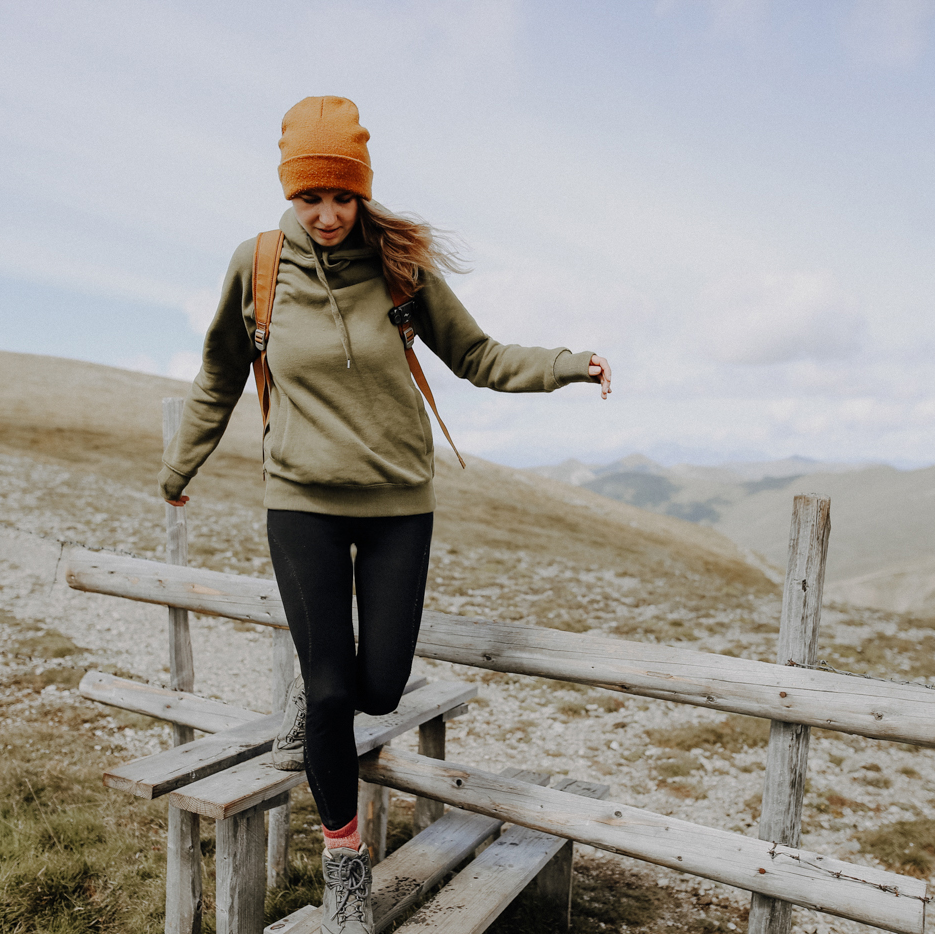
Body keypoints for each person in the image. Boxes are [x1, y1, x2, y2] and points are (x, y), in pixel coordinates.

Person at [159, 96, 611, 934]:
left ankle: (316, 700)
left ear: (363, 193)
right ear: (288, 196)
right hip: (301, 502)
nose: (326, 215)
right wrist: (179, 467)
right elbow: (220, 374)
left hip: (400, 502)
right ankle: (344, 865)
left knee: (381, 684)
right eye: (309, 198)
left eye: (341, 197)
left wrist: (568, 365)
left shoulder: (399, 266)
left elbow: (476, 356)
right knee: (333, 693)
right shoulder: (258, 268)